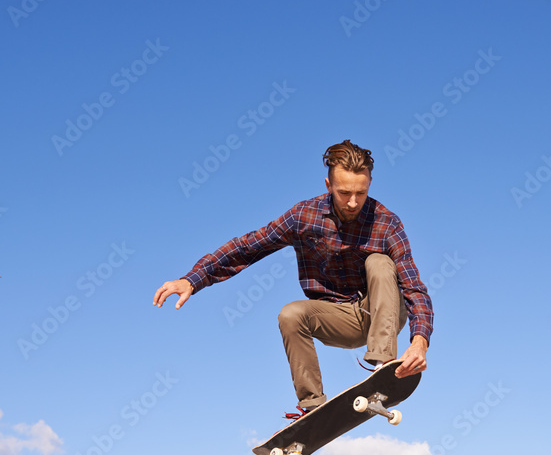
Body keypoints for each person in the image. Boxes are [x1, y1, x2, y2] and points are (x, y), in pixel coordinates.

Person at [153, 139, 433, 415]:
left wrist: (419, 341)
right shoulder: (304, 216)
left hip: (379, 312)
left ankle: (383, 365)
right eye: (344, 192)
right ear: (328, 186)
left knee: (381, 263)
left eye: (360, 193)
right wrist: (193, 279)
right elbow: (248, 246)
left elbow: (413, 287)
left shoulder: (386, 222)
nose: (352, 202)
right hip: (337, 317)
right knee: (290, 314)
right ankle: (312, 407)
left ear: (369, 183)